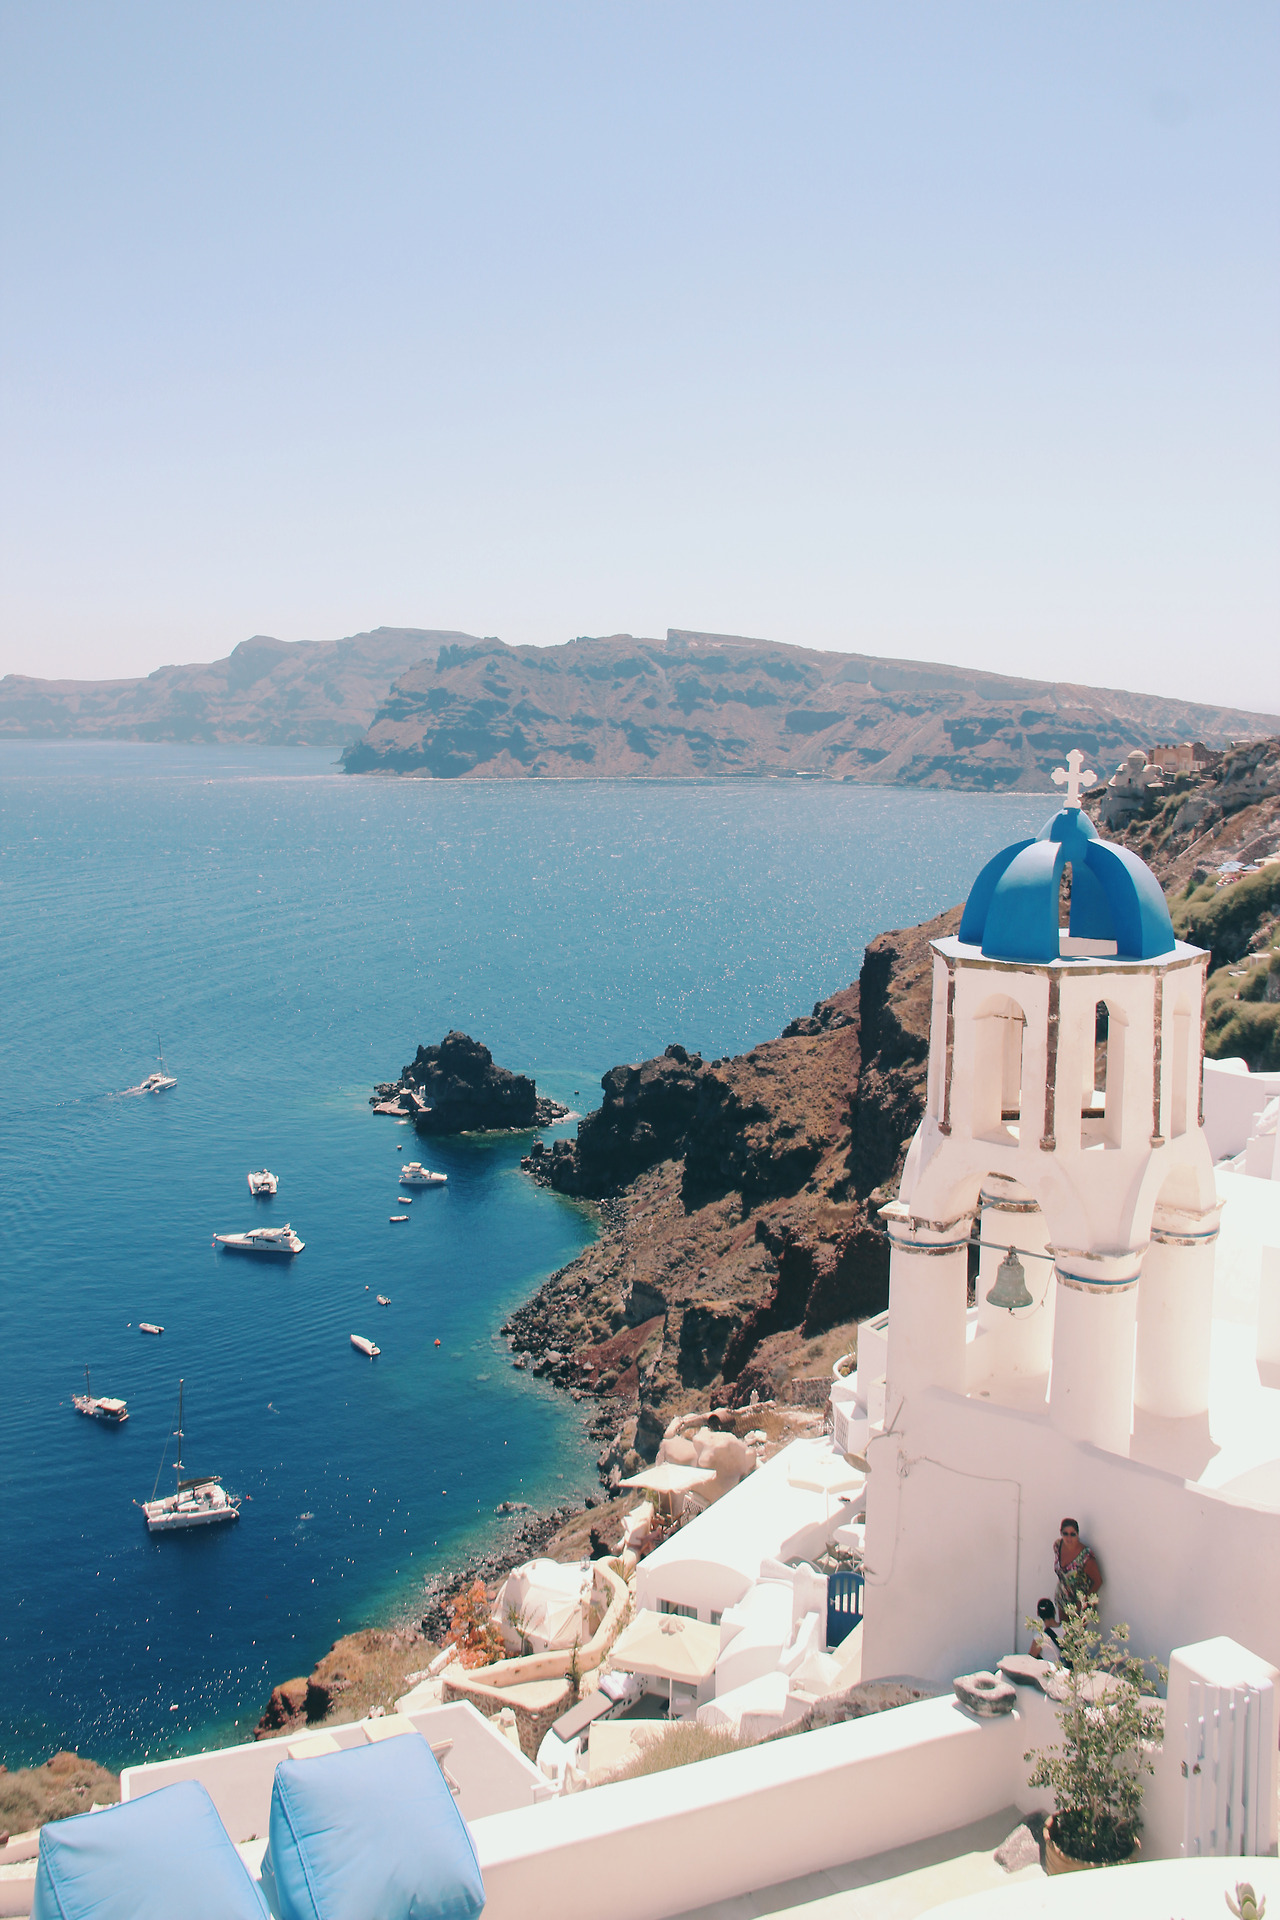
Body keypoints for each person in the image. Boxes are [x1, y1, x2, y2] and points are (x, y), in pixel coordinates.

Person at [1054, 1516, 1102, 1620]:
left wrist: (1083, 1603)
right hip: (1063, 1599)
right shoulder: (1058, 1545)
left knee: (1076, 1635)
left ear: (1078, 1534)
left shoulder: (1085, 1556)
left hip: (1079, 1604)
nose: (1069, 1538)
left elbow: (1098, 1581)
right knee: (1063, 1634)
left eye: (1073, 1534)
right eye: (1065, 1533)